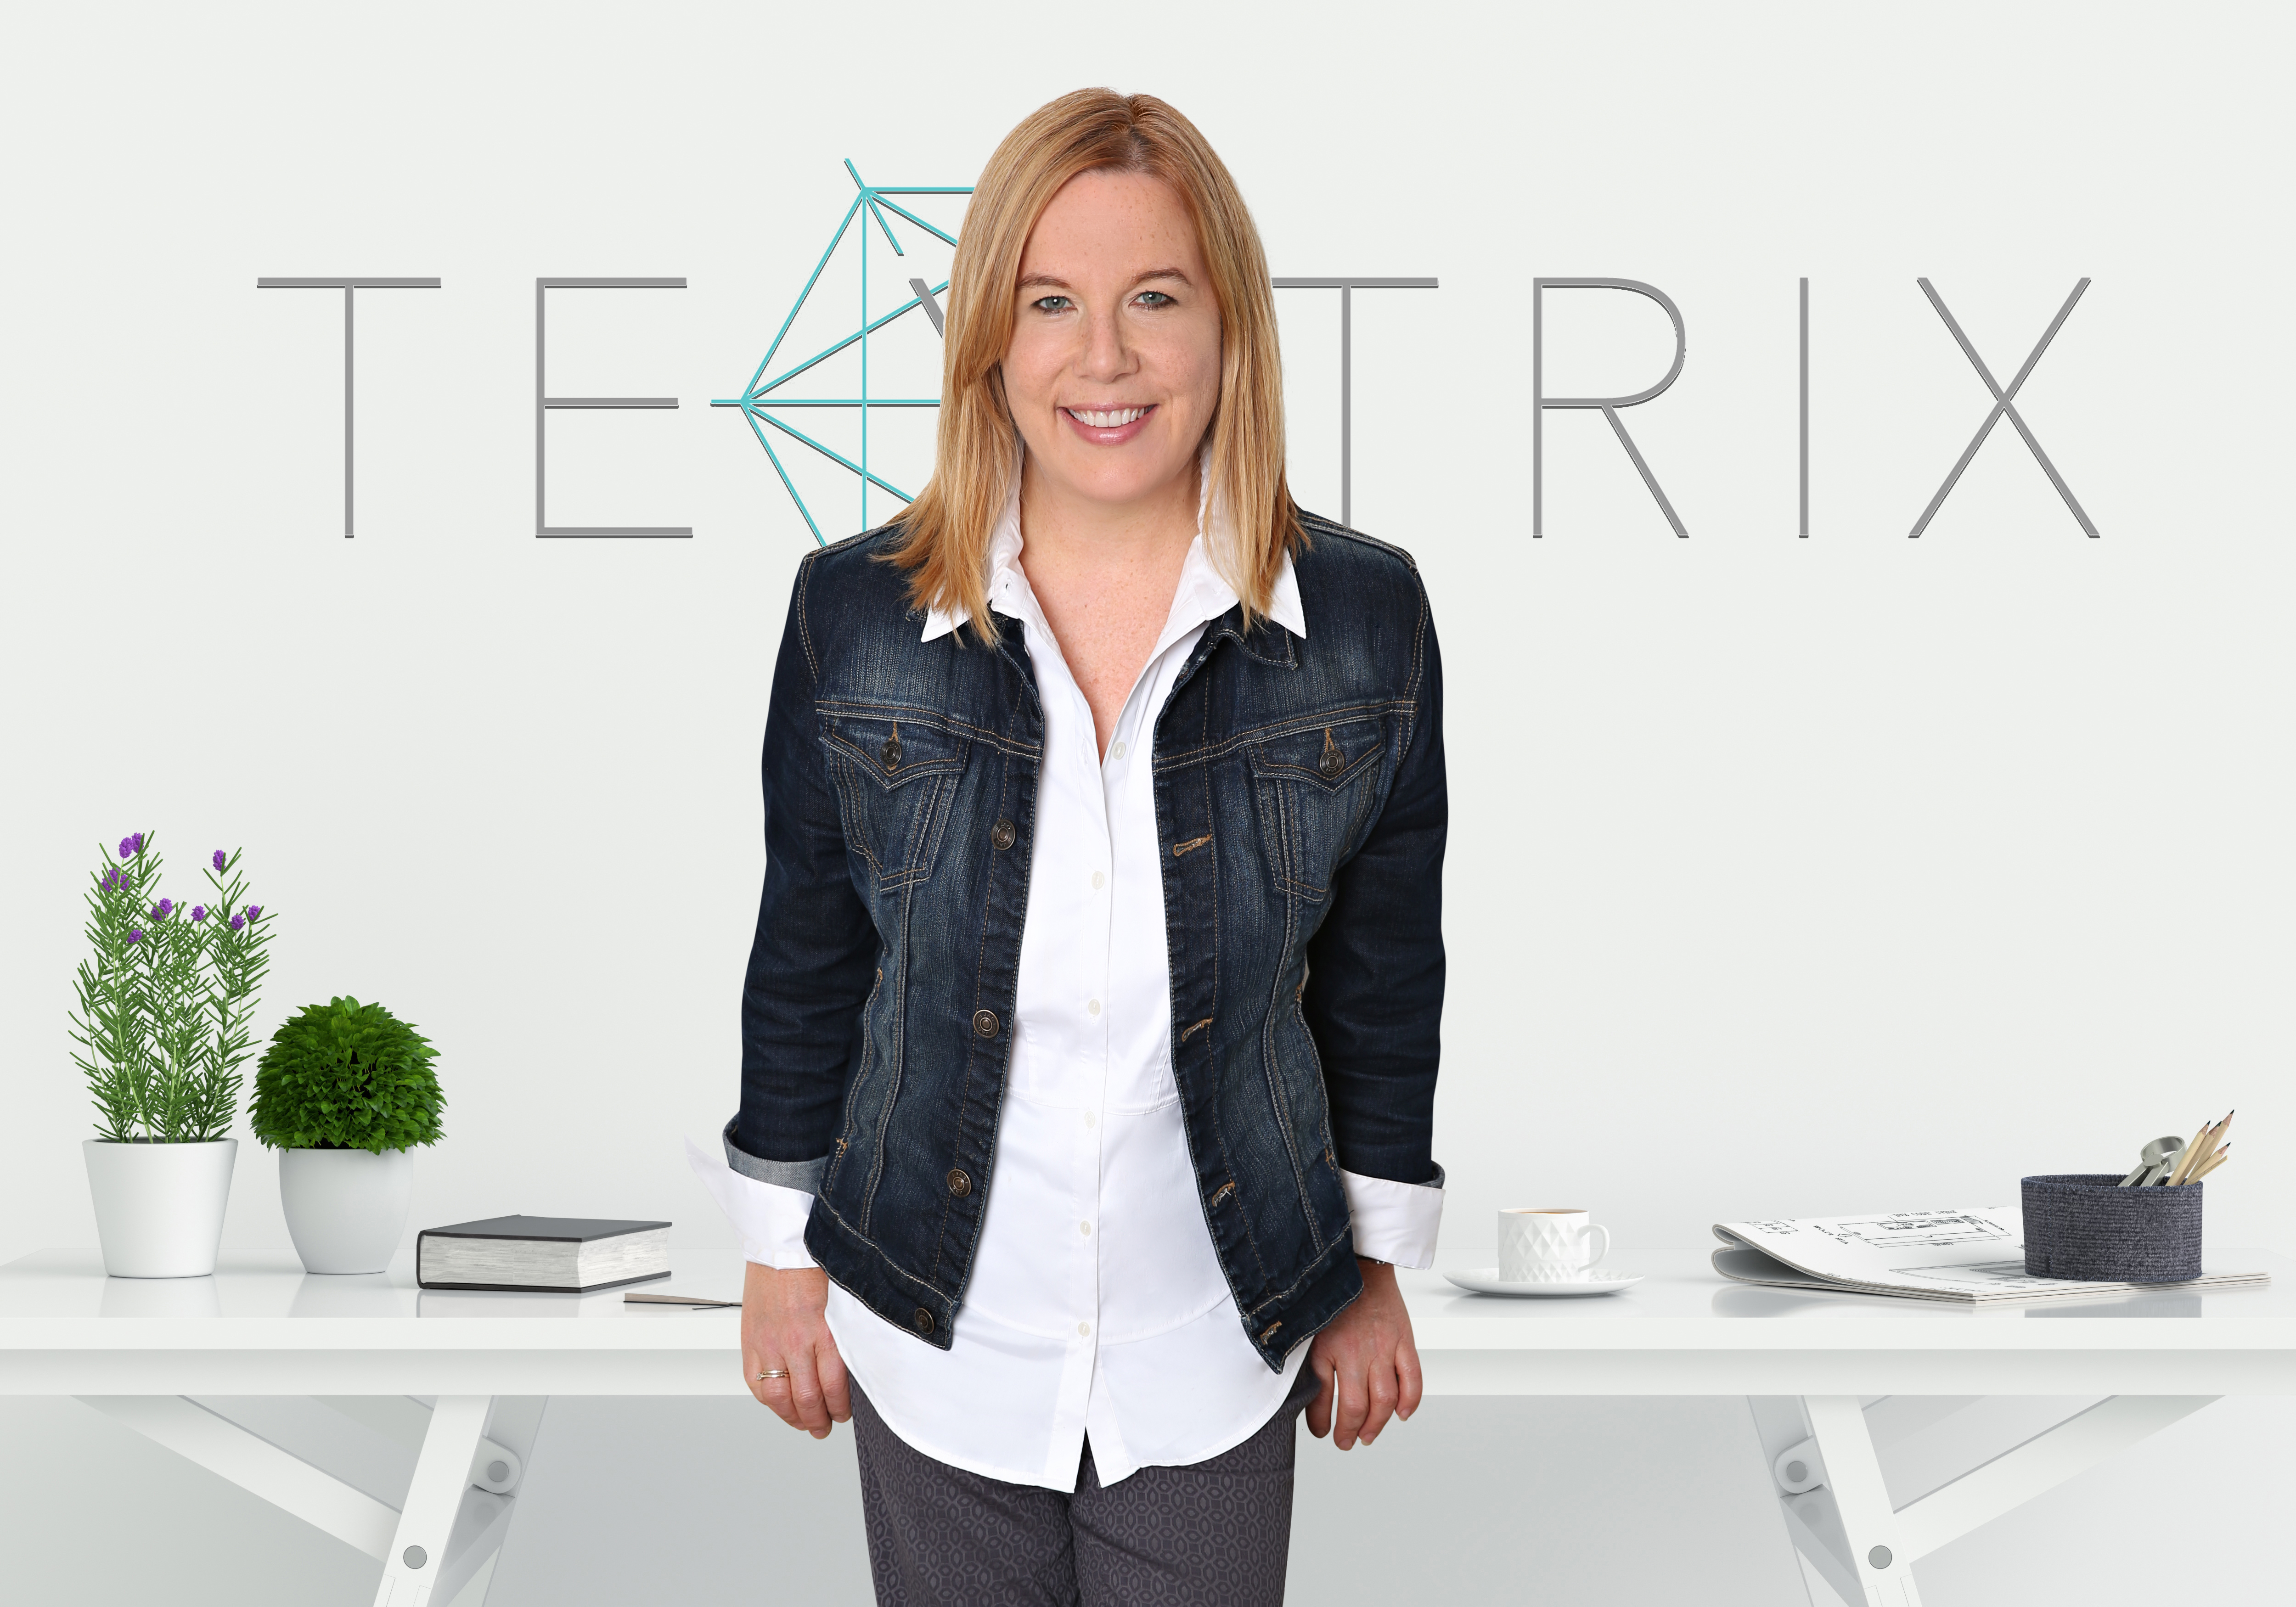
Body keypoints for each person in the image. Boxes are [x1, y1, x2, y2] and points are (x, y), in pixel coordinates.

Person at [709, 87, 1447, 1606]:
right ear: (991, 339)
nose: (1102, 358)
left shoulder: (1362, 622)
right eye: (1051, 302)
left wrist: (1375, 1273)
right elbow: (809, 955)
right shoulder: (852, 615)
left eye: (1153, 300)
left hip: (1219, 1329)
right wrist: (781, 1252)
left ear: (1229, 330)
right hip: (935, 1321)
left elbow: (1382, 977)